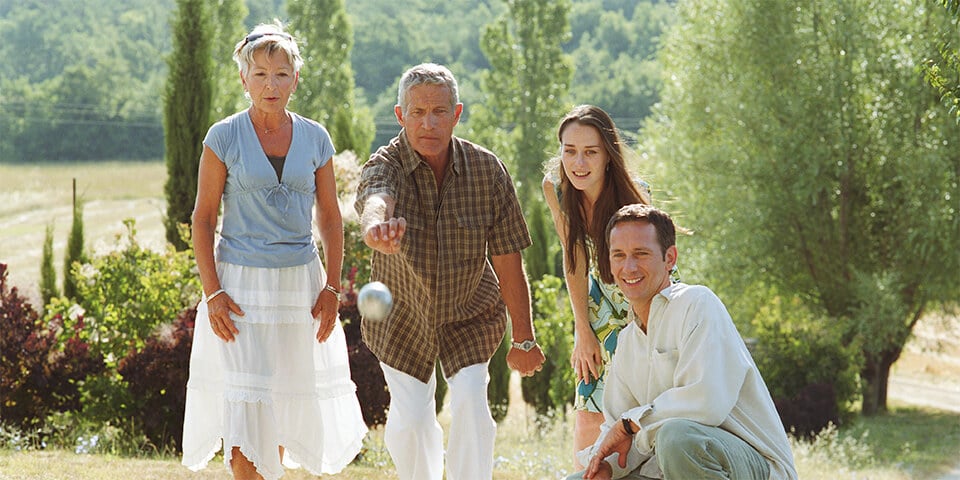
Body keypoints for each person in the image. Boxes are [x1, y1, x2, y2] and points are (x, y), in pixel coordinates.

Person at [181, 21, 367, 480]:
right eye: (260, 74)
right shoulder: (222, 137)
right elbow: (202, 220)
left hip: (300, 286)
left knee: (283, 404)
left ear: (295, 80)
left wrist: (331, 287)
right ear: (244, 79)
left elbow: (329, 217)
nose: (271, 84)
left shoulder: (316, 137)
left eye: (281, 74)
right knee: (247, 406)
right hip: (238, 288)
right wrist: (213, 292)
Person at [354, 63, 546, 480]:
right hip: (401, 317)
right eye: (418, 112)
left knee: (472, 408)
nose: (429, 123)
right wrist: (376, 230)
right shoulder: (384, 164)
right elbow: (374, 199)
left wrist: (525, 337)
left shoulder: (487, 170)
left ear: (456, 114)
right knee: (411, 423)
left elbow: (509, 259)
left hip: (470, 315)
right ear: (400, 115)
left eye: (439, 112)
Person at [566, 204, 798, 480]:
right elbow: (620, 430)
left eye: (641, 253)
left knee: (676, 437)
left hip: (754, 466)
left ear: (669, 258)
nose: (628, 267)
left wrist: (631, 424)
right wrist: (606, 465)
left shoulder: (697, 304)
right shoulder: (627, 341)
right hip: (670, 467)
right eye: (619, 255)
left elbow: (706, 402)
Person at [542, 105, 652, 467]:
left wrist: (646, 331)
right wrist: (582, 329)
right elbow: (573, 260)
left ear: (608, 155)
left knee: (642, 413)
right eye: (569, 150)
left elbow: (651, 271)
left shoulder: (635, 195)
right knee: (589, 408)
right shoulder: (557, 190)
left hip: (645, 304)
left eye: (590, 151)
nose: (578, 162)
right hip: (597, 308)